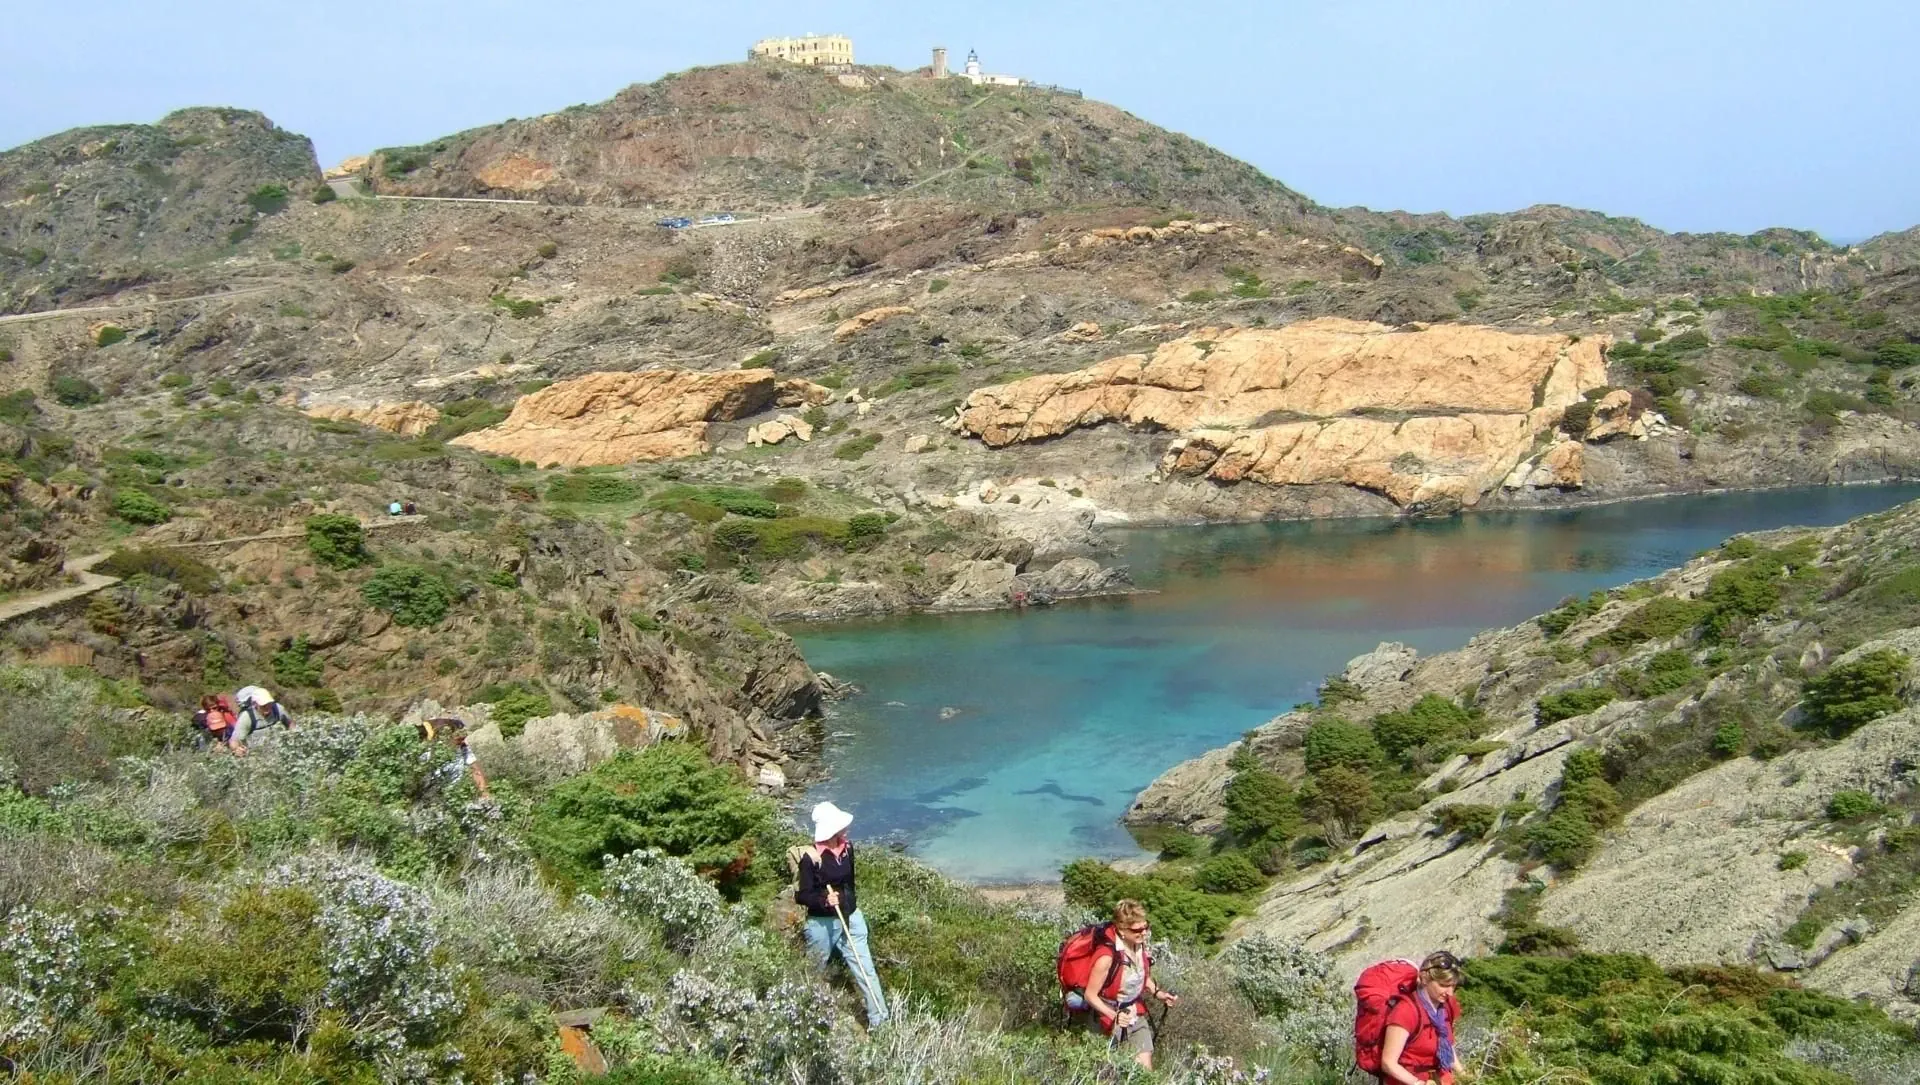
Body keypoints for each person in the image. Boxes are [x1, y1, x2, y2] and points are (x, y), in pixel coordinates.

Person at [794, 801, 889, 1027]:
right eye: (840, 826)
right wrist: (824, 900)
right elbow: (802, 896)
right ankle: (806, 1021)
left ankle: (880, 1022)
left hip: (851, 918)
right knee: (813, 973)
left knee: (866, 970)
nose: (846, 829)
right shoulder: (810, 858)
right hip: (822, 924)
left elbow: (850, 885)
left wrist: (846, 902)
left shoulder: (848, 849)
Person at [1078, 899, 1178, 1069]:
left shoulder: (1138, 945)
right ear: (1122, 929)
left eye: (1145, 927)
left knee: (1144, 1072)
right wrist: (1113, 1016)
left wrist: (1158, 993)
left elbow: (1141, 976)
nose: (1144, 933)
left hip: (1135, 1014)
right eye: (1137, 930)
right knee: (1107, 1073)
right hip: (1107, 1020)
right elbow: (1090, 995)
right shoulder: (1106, 957)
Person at [1378, 952, 1463, 1085]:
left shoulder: (1444, 1009)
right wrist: (1418, 1083)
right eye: (1444, 985)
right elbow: (1388, 1063)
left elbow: (1447, 1048)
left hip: (1440, 1077)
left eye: (1453, 986)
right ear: (1424, 979)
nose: (1450, 993)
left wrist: (1466, 1076)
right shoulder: (1406, 1011)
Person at [419, 717, 491, 798]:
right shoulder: (429, 753)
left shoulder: (463, 747)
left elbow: (475, 770)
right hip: (434, 796)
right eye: (459, 739)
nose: (462, 742)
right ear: (448, 737)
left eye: (463, 739)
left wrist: (484, 792)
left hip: (456, 794)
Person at [232, 686, 293, 752]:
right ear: (255, 704)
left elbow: (290, 724)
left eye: (269, 704)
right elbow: (234, 741)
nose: (268, 708)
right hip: (257, 755)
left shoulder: (277, 708)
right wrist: (237, 749)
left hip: (280, 750)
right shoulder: (246, 717)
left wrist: (294, 736)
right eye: (263, 706)